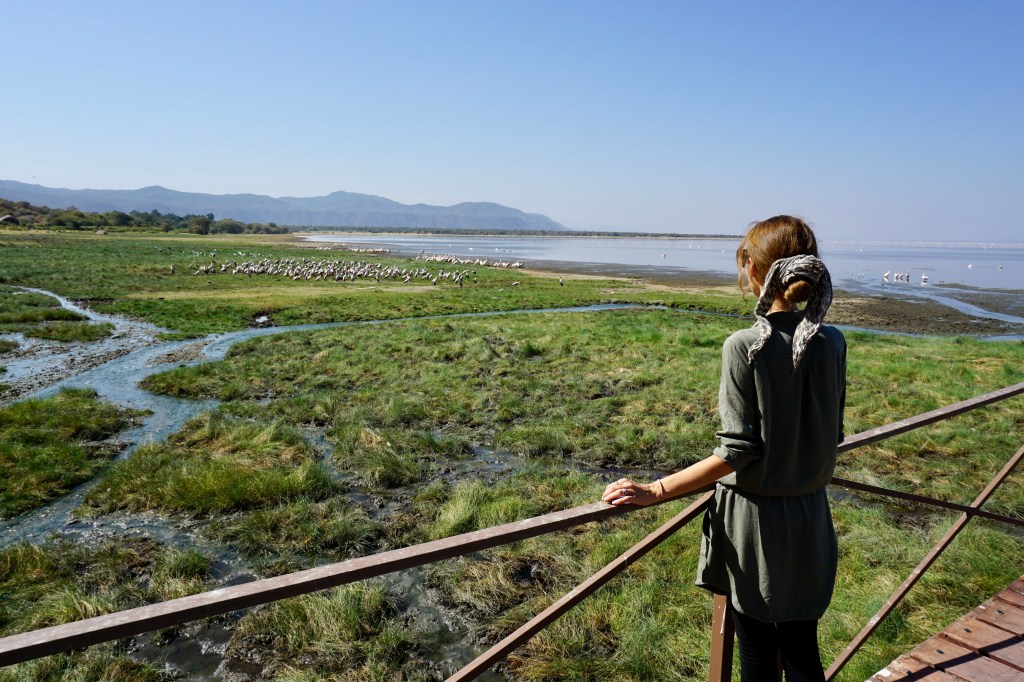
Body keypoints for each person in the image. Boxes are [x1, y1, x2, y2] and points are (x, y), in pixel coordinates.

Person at [602, 215, 846, 682]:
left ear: (753, 269)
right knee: (801, 653)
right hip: (811, 522)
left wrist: (655, 490)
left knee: (757, 656)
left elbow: (737, 451)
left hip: (755, 526)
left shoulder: (745, 345)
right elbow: (831, 432)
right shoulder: (832, 341)